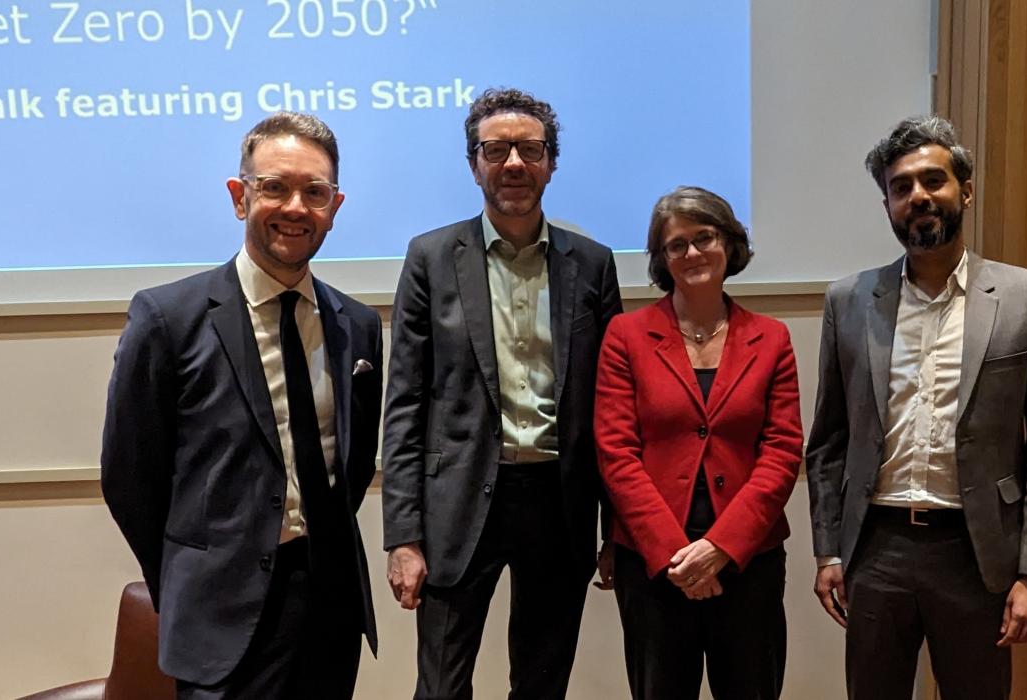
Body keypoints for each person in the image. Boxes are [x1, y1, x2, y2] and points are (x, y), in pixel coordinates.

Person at [100, 112, 383, 700]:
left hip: (330, 607)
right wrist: (188, 577)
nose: (296, 207)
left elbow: (349, 469)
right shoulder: (167, 319)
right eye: (275, 187)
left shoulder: (355, 325)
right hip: (219, 615)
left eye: (315, 192)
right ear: (239, 196)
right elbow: (130, 476)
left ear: (336, 204)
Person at [805, 115, 1027, 700]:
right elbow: (828, 441)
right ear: (887, 205)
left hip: (977, 554)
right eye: (901, 188)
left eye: (933, 180)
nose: (918, 197)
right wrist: (828, 550)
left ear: (966, 190)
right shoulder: (849, 301)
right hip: (876, 549)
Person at [380, 87, 624, 700]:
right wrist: (403, 536)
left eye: (530, 149)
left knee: (542, 684)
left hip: (559, 504)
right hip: (455, 507)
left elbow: (614, 408)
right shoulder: (431, 258)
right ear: (474, 163)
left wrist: (617, 529)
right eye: (496, 149)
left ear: (551, 162)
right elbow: (405, 402)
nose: (513, 163)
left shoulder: (591, 264)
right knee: (439, 687)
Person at [594, 186, 803, 699]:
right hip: (653, 567)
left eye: (704, 237)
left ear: (728, 243)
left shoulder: (771, 338)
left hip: (748, 562)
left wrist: (720, 549)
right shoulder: (626, 335)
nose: (692, 253)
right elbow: (616, 454)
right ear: (662, 259)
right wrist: (676, 556)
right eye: (676, 245)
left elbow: (781, 453)